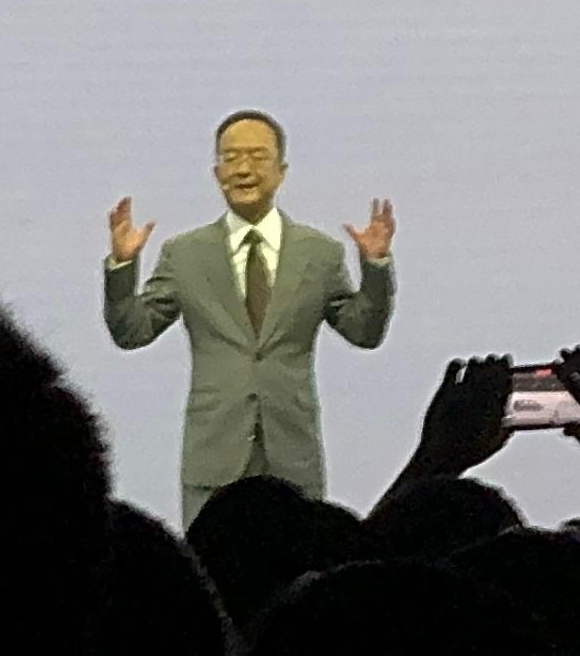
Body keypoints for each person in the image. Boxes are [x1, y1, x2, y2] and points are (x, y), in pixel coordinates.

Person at [104, 111, 397, 518]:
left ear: (281, 171)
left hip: (293, 459)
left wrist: (376, 266)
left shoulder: (320, 253)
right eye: (231, 158)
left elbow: (363, 331)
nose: (243, 169)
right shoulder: (184, 254)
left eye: (258, 157)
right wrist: (122, 266)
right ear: (217, 173)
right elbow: (131, 331)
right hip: (214, 460)